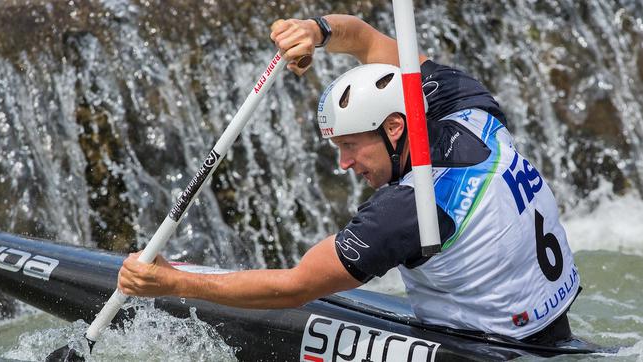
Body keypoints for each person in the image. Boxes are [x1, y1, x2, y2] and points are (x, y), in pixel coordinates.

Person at [118, 15, 580, 345]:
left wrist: (176, 284)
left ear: (394, 128)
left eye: (350, 146)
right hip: (552, 326)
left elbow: (294, 286)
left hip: (492, 346)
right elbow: (364, 38)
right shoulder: (462, 104)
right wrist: (315, 32)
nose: (343, 164)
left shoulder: (411, 210)